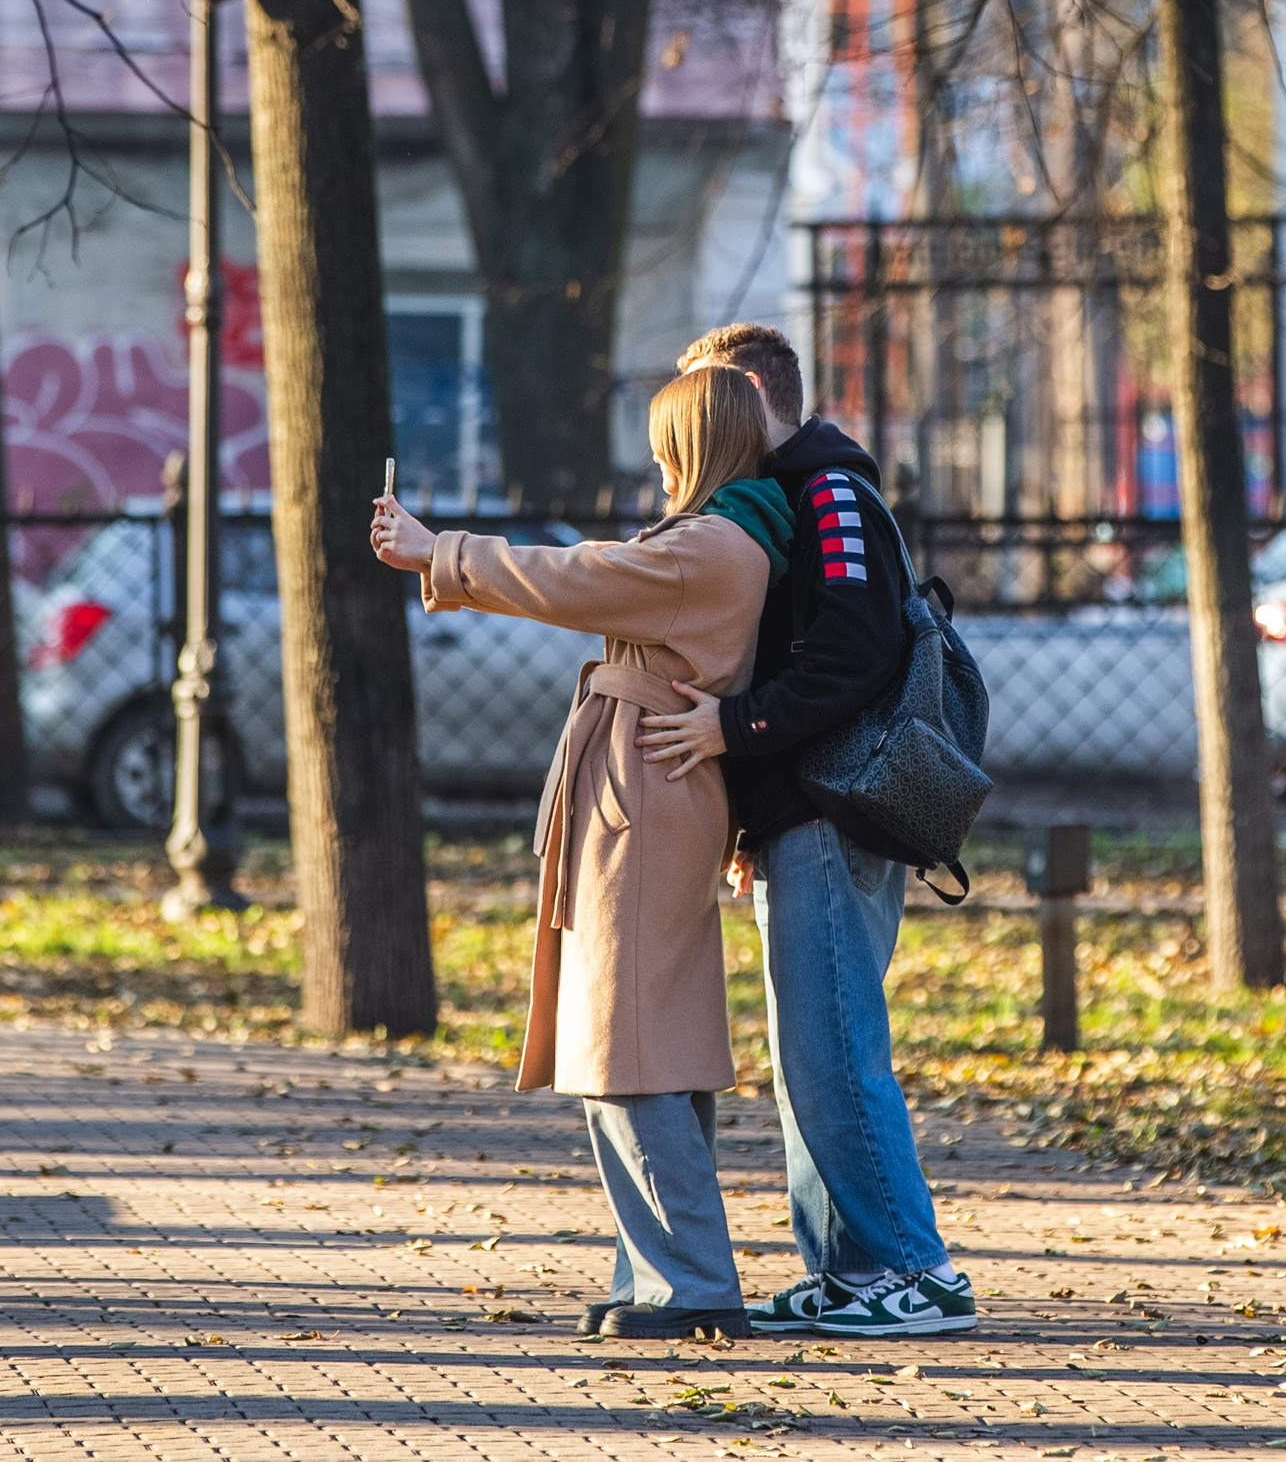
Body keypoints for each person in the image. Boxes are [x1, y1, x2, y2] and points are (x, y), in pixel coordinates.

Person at [369, 366, 795, 1341]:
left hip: (642, 796)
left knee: (627, 1045)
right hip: (644, 787)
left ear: (698, 444)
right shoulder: (725, 540)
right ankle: (655, 1274)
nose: (653, 465)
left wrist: (446, 552)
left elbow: (578, 577)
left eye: (663, 446)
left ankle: (688, 1286)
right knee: (647, 1042)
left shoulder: (712, 548)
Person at [636, 322, 977, 1339]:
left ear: (744, 391)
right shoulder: (796, 495)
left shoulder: (827, 493)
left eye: (701, 396)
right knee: (810, 1055)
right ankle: (848, 1274)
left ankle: (917, 1271)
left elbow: (853, 654)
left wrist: (736, 730)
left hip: (836, 815)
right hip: (805, 813)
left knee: (834, 1052)